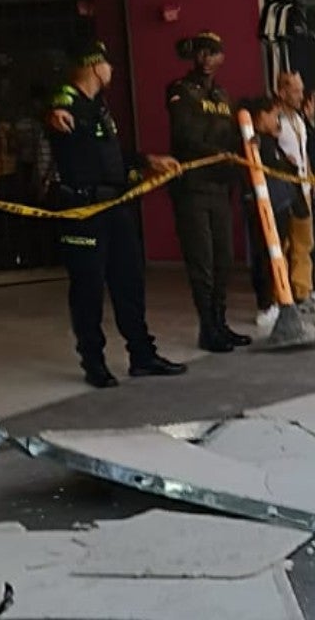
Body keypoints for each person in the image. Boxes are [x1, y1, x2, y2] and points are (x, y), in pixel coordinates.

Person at [46, 40, 185, 388]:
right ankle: (94, 363)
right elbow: (56, 107)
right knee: (88, 288)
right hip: (83, 209)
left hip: (115, 205)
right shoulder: (66, 103)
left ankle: (142, 354)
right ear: (95, 66)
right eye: (107, 64)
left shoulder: (99, 107)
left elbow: (112, 156)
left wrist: (147, 162)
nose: (112, 70)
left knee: (129, 281)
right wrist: (54, 109)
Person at [166, 31, 250, 353]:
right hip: (193, 187)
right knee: (201, 261)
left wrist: (242, 149)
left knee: (223, 260)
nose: (206, 59)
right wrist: (222, 155)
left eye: (213, 53)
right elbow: (186, 138)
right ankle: (207, 327)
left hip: (219, 186)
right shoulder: (180, 90)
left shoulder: (223, 97)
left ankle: (220, 321)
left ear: (221, 58)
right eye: (201, 52)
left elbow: (230, 134)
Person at [241, 96, 308, 329]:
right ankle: (265, 303)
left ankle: (280, 296)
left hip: (280, 204)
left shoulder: (271, 141)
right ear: (261, 116)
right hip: (262, 205)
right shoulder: (254, 142)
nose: (277, 120)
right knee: (263, 255)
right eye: (274, 116)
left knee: (280, 251)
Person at [273, 72, 315, 313]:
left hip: (303, 189)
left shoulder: (299, 119)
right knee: (283, 245)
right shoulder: (275, 120)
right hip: (285, 191)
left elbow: (303, 153)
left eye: (301, 89)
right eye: (295, 91)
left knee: (305, 243)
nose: (300, 95)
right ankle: (281, 294)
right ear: (282, 92)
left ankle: (303, 291)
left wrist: (311, 179)